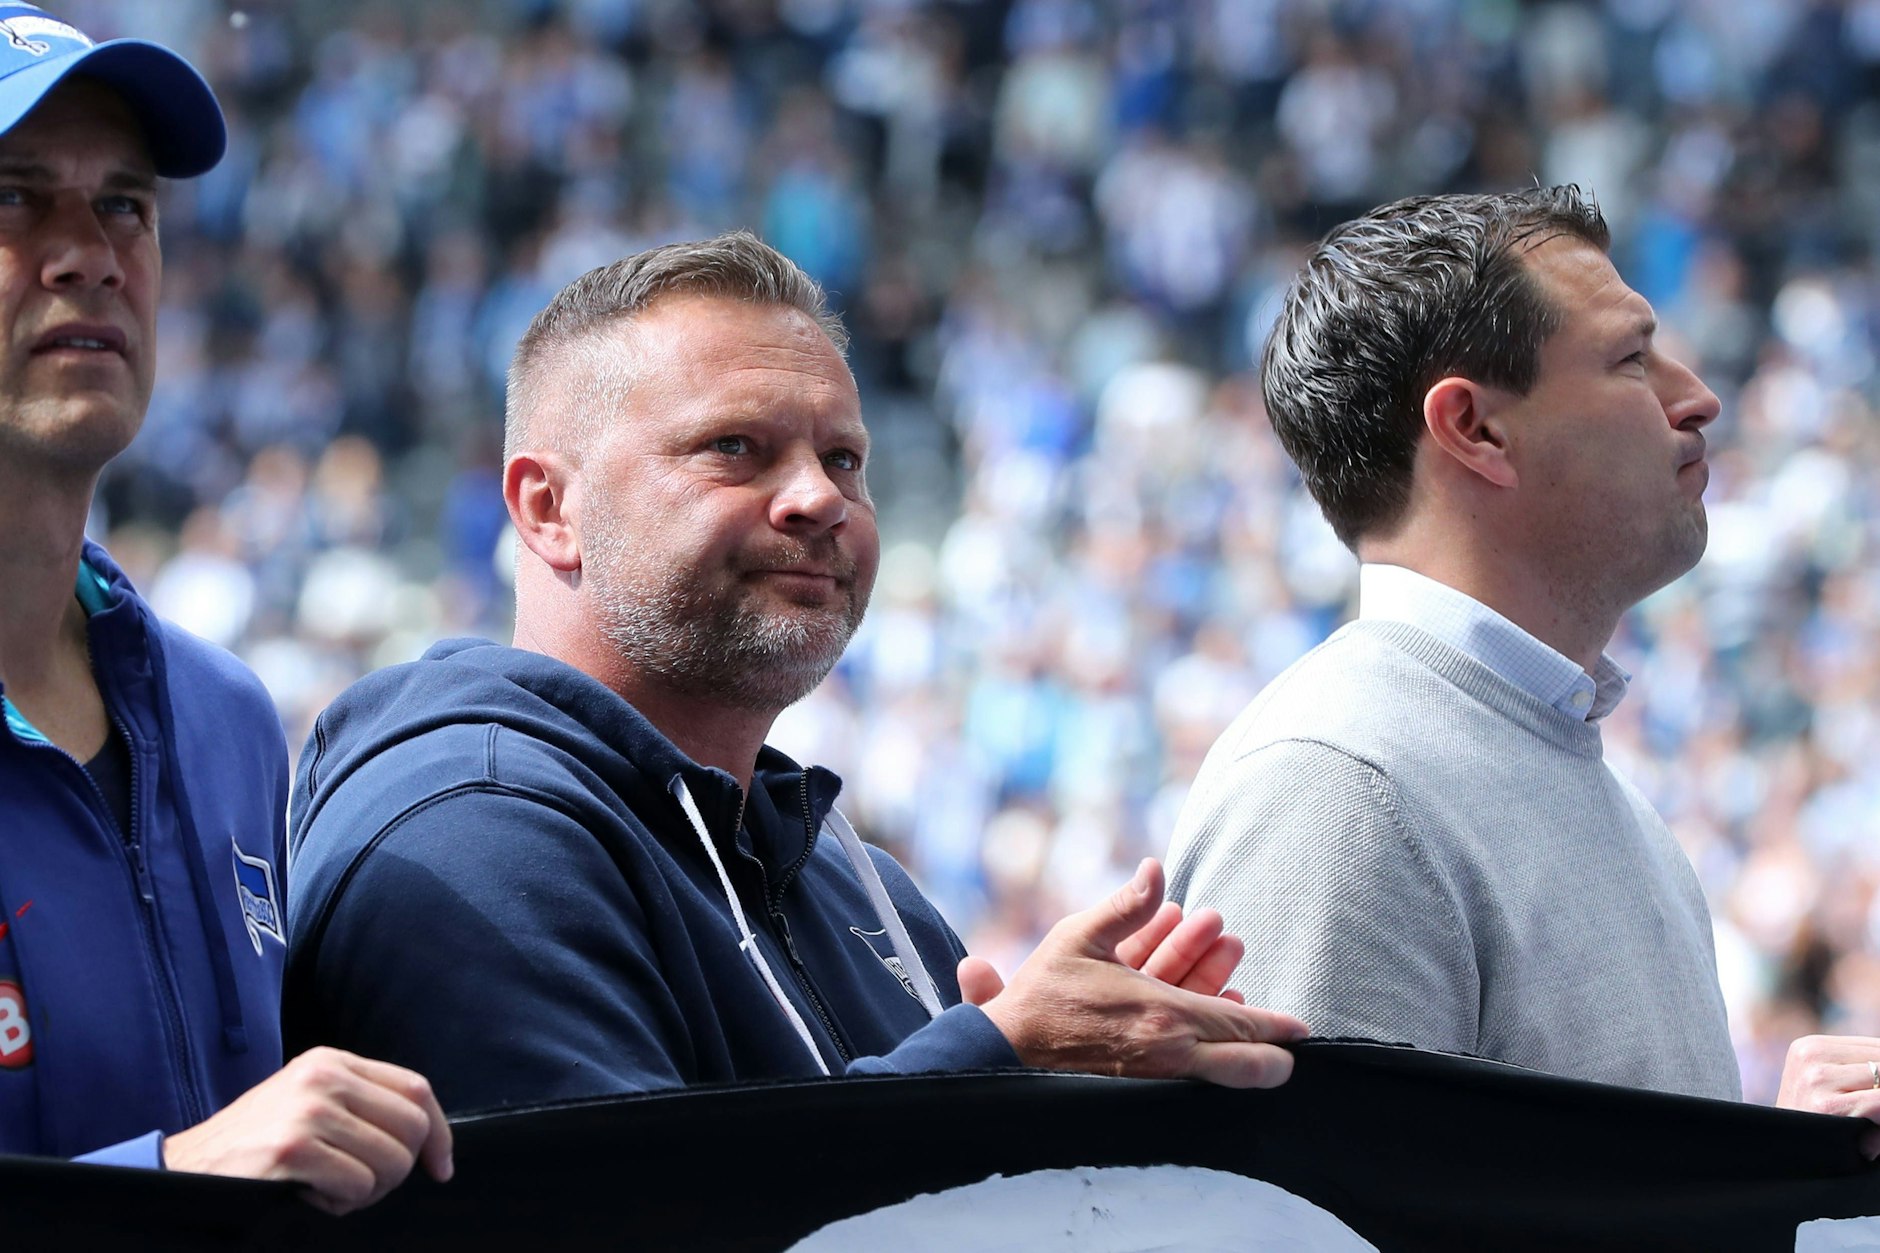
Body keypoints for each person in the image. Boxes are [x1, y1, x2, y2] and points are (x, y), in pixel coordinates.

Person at [283, 232, 1309, 1111]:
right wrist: (996, 1064)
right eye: (735, 447)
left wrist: (1086, 1112)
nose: (817, 498)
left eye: (845, 459)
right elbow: (617, 1224)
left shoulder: (853, 879)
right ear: (549, 509)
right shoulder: (470, 836)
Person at [1165, 186, 1880, 1135]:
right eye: (1632, 359)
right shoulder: (1336, 787)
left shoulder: (1595, 793)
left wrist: (1778, 1171)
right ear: (1475, 428)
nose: (1696, 396)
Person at [0, 3, 450, 1213]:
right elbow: (211, 1157)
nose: (87, 249)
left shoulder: (226, 717)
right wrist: (170, 1181)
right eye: (13, 196)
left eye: (125, 205)